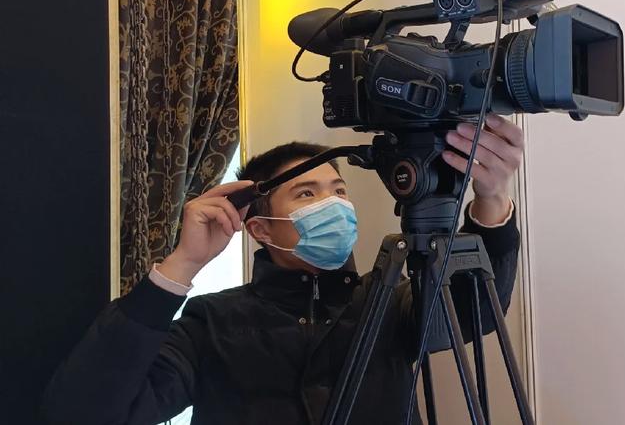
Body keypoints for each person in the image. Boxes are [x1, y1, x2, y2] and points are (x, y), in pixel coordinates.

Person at [43, 114, 525, 425]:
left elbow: (472, 310)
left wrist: (492, 200)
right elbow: (82, 411)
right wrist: (182, 264)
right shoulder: (211, 323)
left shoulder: (386, 302)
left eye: (338, 191)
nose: (333, 205)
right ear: (260, 229)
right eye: (306, 194)